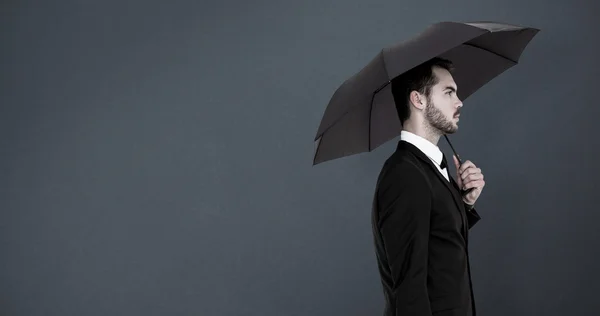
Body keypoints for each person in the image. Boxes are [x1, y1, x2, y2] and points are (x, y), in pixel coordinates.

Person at [371, 57, 486, 316]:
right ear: (418, 100)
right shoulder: (404, 175)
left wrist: (464, 204)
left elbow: (438, 247)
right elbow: (409, 289)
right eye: (449, 92)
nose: (459, 102)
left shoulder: (426, 168)